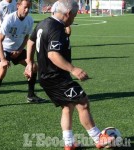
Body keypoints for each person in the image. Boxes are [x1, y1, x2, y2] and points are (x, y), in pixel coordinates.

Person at [25, 0, 115, 149]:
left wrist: (29, 62)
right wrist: (73, 69)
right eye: (74, 15)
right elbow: (53, 55)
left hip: (47, 76)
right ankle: (98, 138)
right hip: (56, 77)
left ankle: (69, 143)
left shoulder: (43, 23)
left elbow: (31, 41)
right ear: (67, 14)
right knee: (83, 102)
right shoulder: (56, 28)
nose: (74, 18)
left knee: (67, 107)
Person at [0, 0, 45, 109]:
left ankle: (31, 95)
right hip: (4, 48)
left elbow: (27, 38)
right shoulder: (9, 19)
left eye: (29, 8)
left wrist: (19, 50)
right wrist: (3, 59)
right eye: (25, 7)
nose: (27, 10)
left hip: (17, 49)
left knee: (33, 67)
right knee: (2, 69)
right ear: (18, 6)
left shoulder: (29, 20)